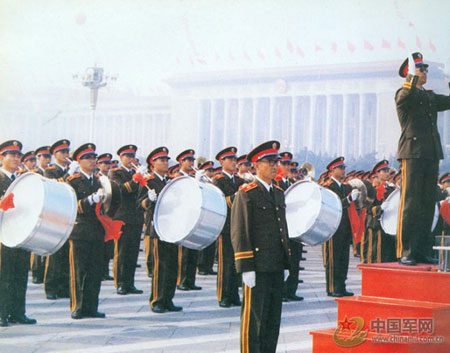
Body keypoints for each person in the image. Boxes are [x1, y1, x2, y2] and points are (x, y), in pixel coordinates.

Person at [231, 140, 290, 353]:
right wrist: (246, 267)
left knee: (272, 320)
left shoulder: (278, 192)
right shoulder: (247, 193)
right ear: (256, 164)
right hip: (257, 264)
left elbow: (282, 229)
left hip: (274, 263)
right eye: (270, 162)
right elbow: (240, 231)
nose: (275, 166)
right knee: (253, 320)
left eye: (277, 162)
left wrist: (285, 261)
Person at [395, 52, 450, 265]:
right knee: (410, 202)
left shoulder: (429, 96)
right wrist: (411, 76)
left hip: (430, 153)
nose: (425, 72)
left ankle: (421, 249)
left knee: (428, 203)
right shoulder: (404, 93)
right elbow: (405, 96)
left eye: (426, 69)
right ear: (411, 72)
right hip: (412, 152)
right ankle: (406, 250)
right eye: (421, 68)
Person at [137, 147, 183, 314]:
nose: (165, 162)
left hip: (172, 228)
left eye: (166, 160)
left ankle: (168, 299)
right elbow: (140, 203)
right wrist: (148, 201)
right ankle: (157, 300)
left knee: (172, 266)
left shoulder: (168, 181)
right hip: (158, 229)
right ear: (152, 164)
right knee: (160, 266)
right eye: (161, 160)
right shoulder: (148, 181)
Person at [66, 143, 106, 319]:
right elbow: (72, 205)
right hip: (80, 231)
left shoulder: (99, 180)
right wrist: (90, 200)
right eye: (87, 158)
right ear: (79, 161)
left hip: (97, 230)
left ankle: (91, 307)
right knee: (79, 271)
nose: (92, 160)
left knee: (95, 271)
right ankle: (77, 306)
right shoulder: (73, 181)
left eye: (93, 157)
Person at [0, 140, 36, 326]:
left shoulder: (21, 180)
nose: (15, 158)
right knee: (3, 275)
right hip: (2, 234)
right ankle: (1, 313)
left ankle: (17, 312)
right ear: (2, 157)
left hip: (21, 232)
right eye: (11, 154)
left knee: (20, 273)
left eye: (18, 155)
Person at [110, 144, 144, 295]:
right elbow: (120, 190)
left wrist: (143, 179)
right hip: (122, 217)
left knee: (133, 252)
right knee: (122, 252)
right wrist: (136, 180)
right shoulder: (115, 173)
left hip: (135, 217)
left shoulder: (136, 172)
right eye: (128, 156)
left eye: (133, 156)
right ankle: (120, 283)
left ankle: (130, 283)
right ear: (121, 157)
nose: (131, 159)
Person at [212, 147, 244, 308]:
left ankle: (233, 295)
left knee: (235, 262)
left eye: (234, 159)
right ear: (222, 162)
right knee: (225, 264)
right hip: (225, 226)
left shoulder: (239, 180)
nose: (233, 162)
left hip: (237, 226)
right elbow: (219, 200)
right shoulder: (218, 180)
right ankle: (224, 295)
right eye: (230, 159)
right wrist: (236, 197)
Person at [323, 157, 357, 297]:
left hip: (345, 228)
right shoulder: (328, 186)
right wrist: (348, 199)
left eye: (344, 168)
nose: (344, 170)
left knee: (343, 260)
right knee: (333, 259)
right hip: (333, 228)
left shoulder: (345, 186)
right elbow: (332, 206)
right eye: (341, 168)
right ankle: (332, 288)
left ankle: (341, 286)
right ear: (333, 170)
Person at [43, 139, 72, 300]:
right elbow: (55, 188)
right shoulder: (50, 170)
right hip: (55, 215)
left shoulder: (71, 169)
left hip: (68, 214)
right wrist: (69, 174)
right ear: (55, 155)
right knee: (55, 253)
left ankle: (64, 287)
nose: (66, 155)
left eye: (67, 152)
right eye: (62, 152)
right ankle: (51, 287)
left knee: (67, 253)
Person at [276, 152, 303, 303]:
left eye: (289, 165)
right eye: (284, 164)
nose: (287, 167)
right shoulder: (277, 183)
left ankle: (292, 290)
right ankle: (283, 291)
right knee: (284, 260)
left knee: (295, 260)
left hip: (295, 227)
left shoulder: (293, 183)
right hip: (284, 227)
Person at [175, 149, 202, 291]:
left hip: (193, 217)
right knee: (183, 253)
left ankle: (190, 280)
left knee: (192, 251)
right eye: (189, 161)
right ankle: (182, 280)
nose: (192, 163)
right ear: (182, 162)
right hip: (182, 219)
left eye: (193, 160)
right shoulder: (177, 177)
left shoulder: (192, 176)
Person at [363, 160, 397, 263]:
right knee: (376, 257)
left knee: (389, 257)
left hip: (389, 227)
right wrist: (380, 208)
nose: (387, 173)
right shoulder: (372, 189)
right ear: (377, 173)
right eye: (384, 171)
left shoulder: (392, 189)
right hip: (376, 227)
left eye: (388, 171)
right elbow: (368, 209)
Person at [196, 160, 217, 276]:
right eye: (208, 170)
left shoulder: (212, 182)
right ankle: (202, 266)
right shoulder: (201, 181)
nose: (211, 173)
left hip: (211, 216)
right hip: (202, 215)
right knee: (202, 242)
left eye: (212, 170)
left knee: (211, 243)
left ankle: (208, 266)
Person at [96, 153, 114, 281]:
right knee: (100, 246)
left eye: (109, 163)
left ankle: (105, 270)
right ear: (99, 165)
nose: (108, 166)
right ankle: (100, 271)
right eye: (105, 163)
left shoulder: (110, 177)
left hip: (109, 215)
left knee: (108, 246)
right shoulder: (98, 178)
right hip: (100, 215)